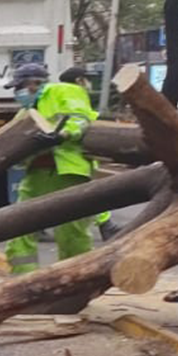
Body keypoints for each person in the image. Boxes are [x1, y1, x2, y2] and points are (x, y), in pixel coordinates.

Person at [3, 64, 97, 274]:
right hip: (36, 175)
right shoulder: (25, 112)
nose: (17, 93)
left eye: (19, 87)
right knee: (19, 231)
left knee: (71, 235)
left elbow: (80, 119)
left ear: (34, 83)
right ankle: (24, 283)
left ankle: (75, 282)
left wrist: (61, 134)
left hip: (68, 171)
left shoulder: (63, 91)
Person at [58, 65, 117, 240]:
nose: (90, 84)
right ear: (79, 81)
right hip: (71, 155)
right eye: (87, 79)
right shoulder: (73, 96)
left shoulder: (59, 95)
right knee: (90, 194)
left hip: (67, 156)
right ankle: (106, 225)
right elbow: (80, 119)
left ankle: (106, 225)